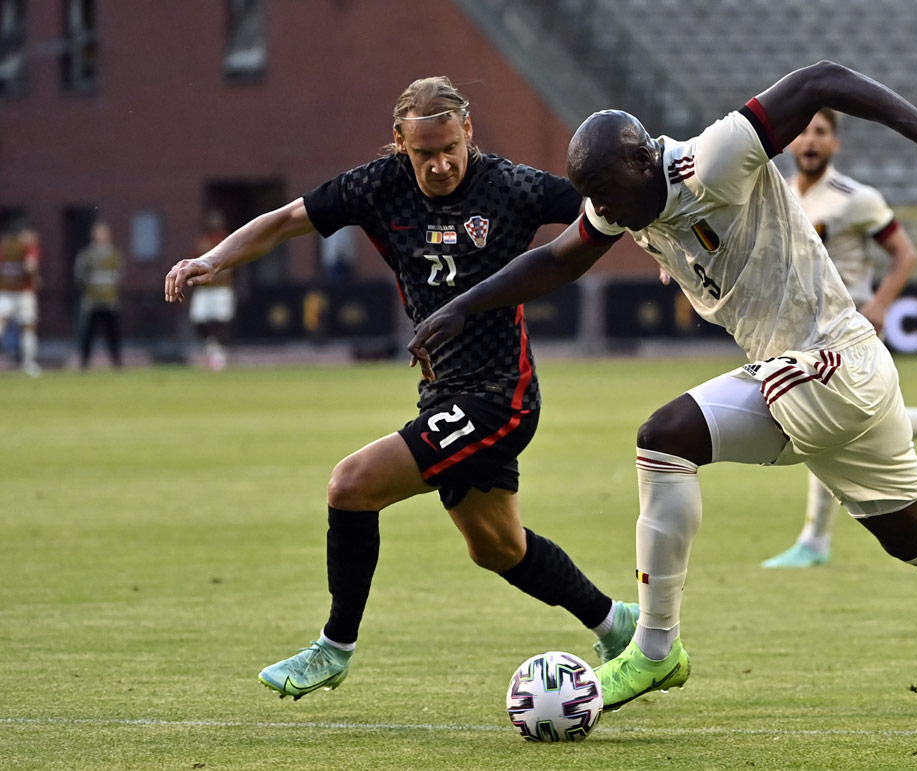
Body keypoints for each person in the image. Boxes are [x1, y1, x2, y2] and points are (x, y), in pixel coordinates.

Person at [409, 60, 917, 716]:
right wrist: (462, 305)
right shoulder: (622, 201)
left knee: (665, 438)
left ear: (641, 161)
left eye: (608, 195)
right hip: (830, 370)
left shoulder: (711, 158)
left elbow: (821, 79)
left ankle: (654, 649)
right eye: (594, 200)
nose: (602, 212)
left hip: (829, 361)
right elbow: (559, 259)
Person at [164, 76, 637, 700]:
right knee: (496, 547)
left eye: (450, 148)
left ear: (468, 131)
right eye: (424, 153)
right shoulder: (376, 187)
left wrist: (658, 239)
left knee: (351, 485)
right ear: (399, 143)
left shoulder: (509, 186)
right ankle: (615, 622)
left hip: (500, 395)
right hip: (444, 393)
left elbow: (609, 194)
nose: (440, 164)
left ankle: (334, 648)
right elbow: (284, 222)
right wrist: (215, 260)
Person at [761, 109, 917, 569]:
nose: (810, 141)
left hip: (844, 333)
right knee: (856, 429)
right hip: (798, 330)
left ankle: (815, 541)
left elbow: (904, 253)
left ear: (835, 144)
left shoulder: (856, 198)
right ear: (789, 142)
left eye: (821, 132)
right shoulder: (777, 195)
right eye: (803, 131)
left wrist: (881, 304)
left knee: (823, 430)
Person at [188, 211, 235, 370]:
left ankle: (219, 354)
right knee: (198, 318)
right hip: (205, 287)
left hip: (222, 287)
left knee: (222, 319)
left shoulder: (227, 240)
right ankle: (211, 345)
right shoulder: (203, 242)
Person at [75, 220, 124, 369]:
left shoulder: (114, 254)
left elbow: (119, 275)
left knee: (112, 333)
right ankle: (84, 362)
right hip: (92, 300)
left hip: (110, 300)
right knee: (88, 333)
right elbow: (79, 275)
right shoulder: (87, 254)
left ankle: (116, 362)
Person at [0, 224, 42, 377]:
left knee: (21, 326)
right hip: (22, 292)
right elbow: (31, 266)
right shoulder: (28, 248)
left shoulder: (5, 247)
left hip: (9, 292)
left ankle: (29, 363)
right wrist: (36, 277)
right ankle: (29, 363)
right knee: (28, 327)